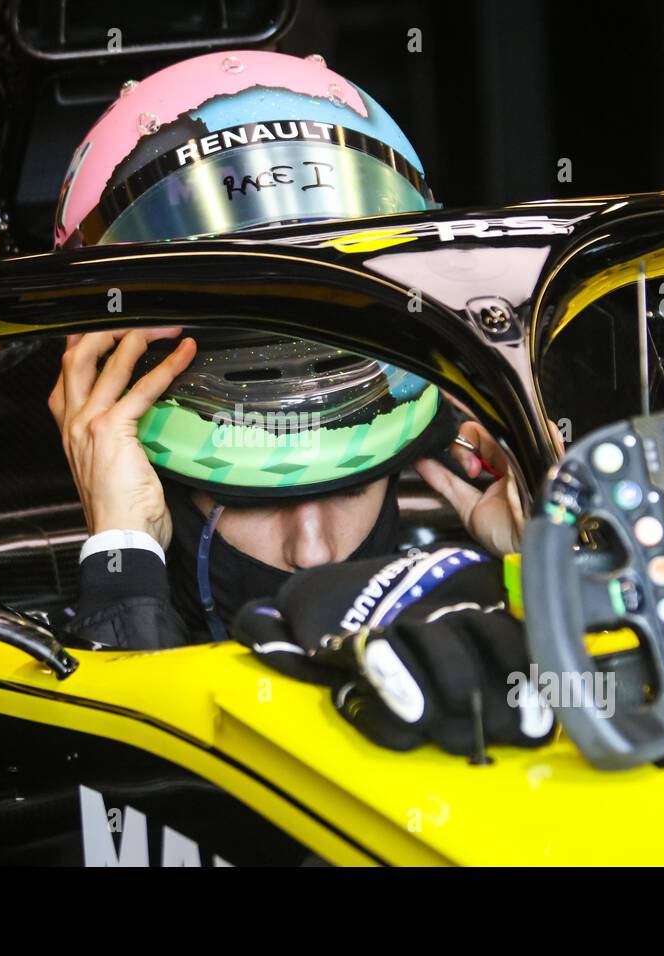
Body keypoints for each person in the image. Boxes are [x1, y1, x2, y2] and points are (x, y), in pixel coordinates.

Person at [49, 51, 551, 755]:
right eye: (258, 496)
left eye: (351, 479)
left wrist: (553, 573)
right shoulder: (51, 624)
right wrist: (125, 571)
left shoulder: (484, 585)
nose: (313, 551)